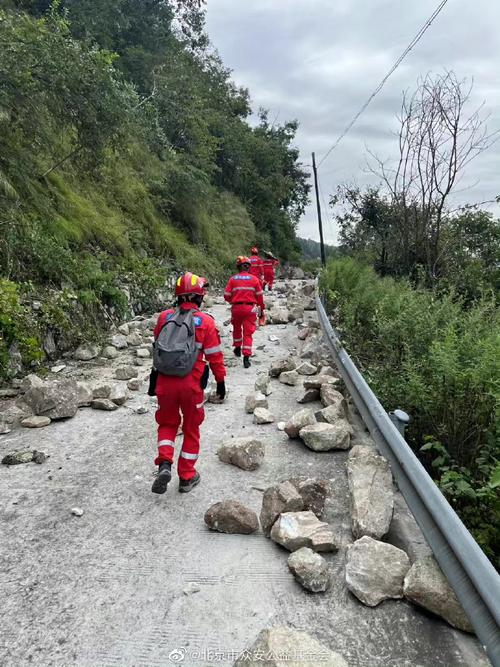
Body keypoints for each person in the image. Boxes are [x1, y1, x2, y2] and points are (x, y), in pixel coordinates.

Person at [149, 272, 226, 495]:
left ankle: (164, 464)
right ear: (199, 297)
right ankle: (187, 476)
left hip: (164, 383)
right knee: (191, 429)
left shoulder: (164, 318)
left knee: (167, 424)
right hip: (191, 385)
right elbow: (215, 357)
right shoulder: (206, 322)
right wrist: (220, 382)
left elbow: (157, 347)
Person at [224, 256, 265, 368]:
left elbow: (226, 296)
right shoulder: (255, 280)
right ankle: (246, 359)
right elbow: (260, 297)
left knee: (237, 328)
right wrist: (261, 308)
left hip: (236, 308)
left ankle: (237, 348)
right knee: (248, 333)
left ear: (238, 267)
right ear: (248, 267)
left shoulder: (232, 279)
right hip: (250, 309)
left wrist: (233, 301)